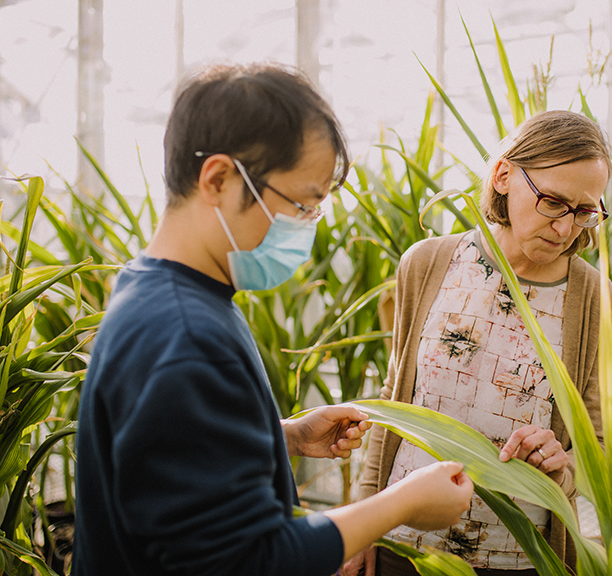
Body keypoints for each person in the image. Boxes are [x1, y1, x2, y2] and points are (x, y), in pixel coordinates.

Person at [72, 63, 473, 576]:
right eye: (302, 204)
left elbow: (166, 457)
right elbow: (248, 560)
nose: (307, 227)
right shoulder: (186, 336)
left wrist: (278, 435)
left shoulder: (154, 288)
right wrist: (401, 504)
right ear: (218, 179)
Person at [346, 110, 612, 576]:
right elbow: (395, 402)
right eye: (552, 202)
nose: (564, 228)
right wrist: (360, 521)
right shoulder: (429, 263)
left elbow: (599, 442)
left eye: (583, 211)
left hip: (522, 559)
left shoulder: (592, 297)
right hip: (404, 547)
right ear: (504, 176)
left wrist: (563, 466)